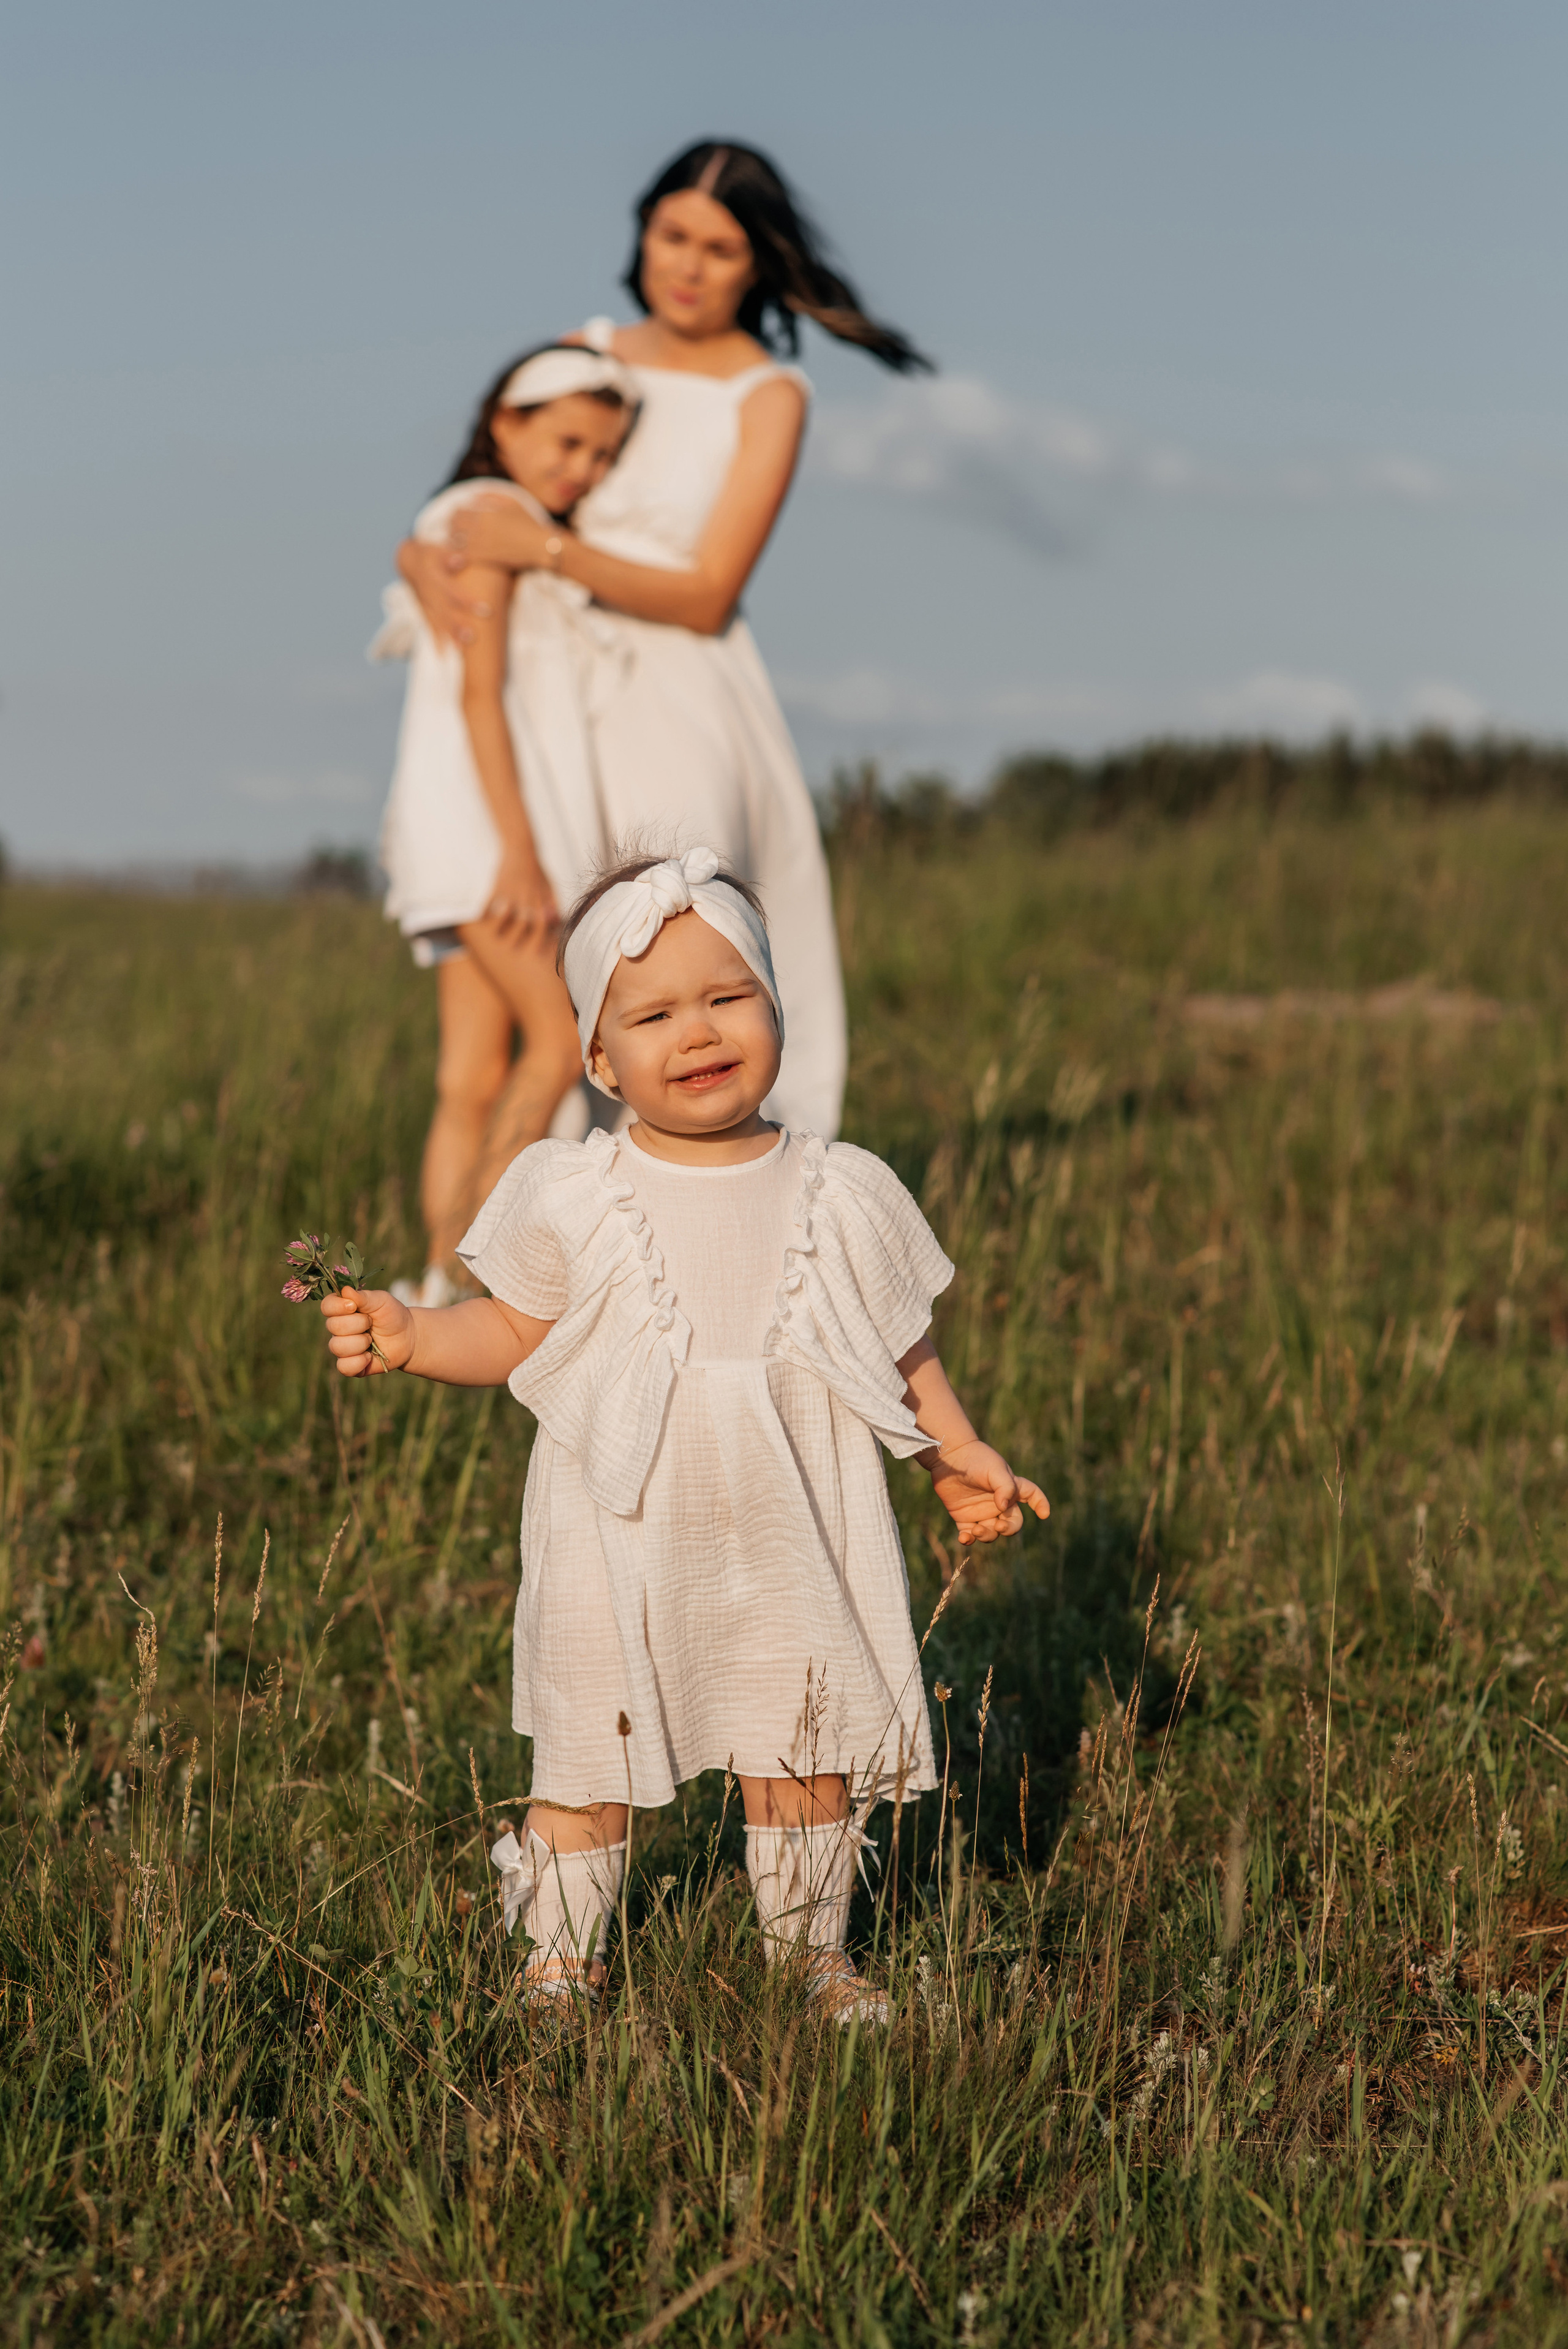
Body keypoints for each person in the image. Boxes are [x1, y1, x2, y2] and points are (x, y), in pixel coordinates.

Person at [318, 847, 1049, 2022]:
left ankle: (811, 1956)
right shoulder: (575, 1190)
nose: (698, 1032)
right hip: (619, 1521)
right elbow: (512, 1327)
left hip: (792, 1512)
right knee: (589, 1745)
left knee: (803, 1732)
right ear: (599, 1058)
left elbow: (899, 1350)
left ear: (778, 1007)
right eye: (653, 1014)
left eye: (727, 996)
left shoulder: (840, 1189)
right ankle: (559, 1959)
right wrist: (414, 1334)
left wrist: (953, 1453)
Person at [401, 140, 933, 1144]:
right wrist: (418, 551)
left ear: (758, 264)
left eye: (721, 249)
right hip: (555, 697)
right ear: (642, 230)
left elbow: (708, 591)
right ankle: (558, 1230)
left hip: (682, 698)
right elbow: (492, 481)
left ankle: (728, 1198)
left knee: (675, 956)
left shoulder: (769, 394)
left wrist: (548, 551)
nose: (689, 265)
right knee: (573, 975)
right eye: (673, 235)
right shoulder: (589, 350)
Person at [372, 345, 638, 1305]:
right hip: (490, 837)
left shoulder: (466, 520)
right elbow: (480, 696)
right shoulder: (492, 518)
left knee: (470, 1076)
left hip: (458, 831)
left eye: (603, 454)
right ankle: (477, 1283)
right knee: (561, 1044)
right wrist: (521, 855)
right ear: (504, 423)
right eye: (567, 443)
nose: (584, 469)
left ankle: (436, 1283)